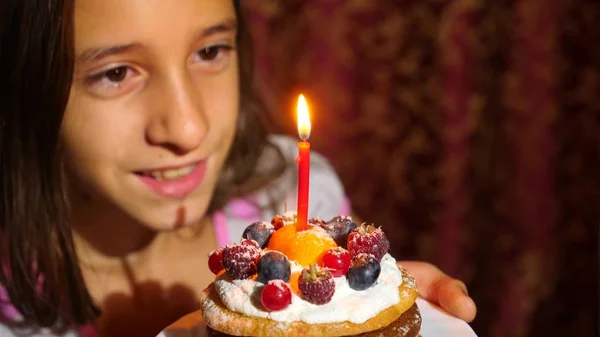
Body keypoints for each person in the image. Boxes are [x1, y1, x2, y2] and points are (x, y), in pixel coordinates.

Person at [0, 0, 477, 336]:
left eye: (209, 51)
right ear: (25, 84)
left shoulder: (289, 191)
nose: (188, 128)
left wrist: (360, 307)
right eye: (116, 73)